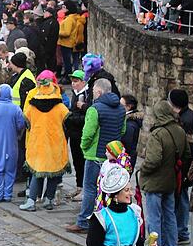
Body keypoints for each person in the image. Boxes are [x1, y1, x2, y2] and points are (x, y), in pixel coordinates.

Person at [67, 79, 127, 234]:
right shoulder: (121, 109)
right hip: (112, 156)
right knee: (109, 190)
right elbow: (122, 131)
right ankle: (106, 221)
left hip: (95, 156)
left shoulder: (95, 109)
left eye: (94, 91)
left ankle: (83, 221)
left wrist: (84, 147)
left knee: (90, 189)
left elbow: (87, 133)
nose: (92, 93)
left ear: (99, 92)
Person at [139, 100, 190, 246]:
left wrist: (143, 170)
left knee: (154, 217)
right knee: (169, 215)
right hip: (171, 180)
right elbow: (186, 155)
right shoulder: (180, 130)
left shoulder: (158, 133)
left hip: (155, 181)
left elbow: (153, 160)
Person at [19, 71, 70, 211]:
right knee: (54, 173)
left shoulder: (32, 106)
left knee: (37, 172)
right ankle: (49, 199)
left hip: (38, 143)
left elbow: (26, 121)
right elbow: (67, 121)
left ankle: (31, 201)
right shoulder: (60, 107)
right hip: (55, 144)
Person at [167, 89, 193, 246]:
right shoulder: (188, 116)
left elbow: (189, 148)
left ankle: (182, 230)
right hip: (183, 165)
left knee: (182, 197)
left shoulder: (186, 120)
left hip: (185, 166)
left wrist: (186, 171)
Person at [66, 70, 90, 199]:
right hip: (73, 134)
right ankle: (79, 186)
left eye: (76, 81)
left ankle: (84, 189)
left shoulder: (86, 94)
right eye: (72, 81)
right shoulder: (75, 94)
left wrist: (70, 117)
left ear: (83, 82)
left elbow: (86, 117)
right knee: (76, 161)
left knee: (83, 161)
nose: (73, 84)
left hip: (81, 133)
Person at [120, 95, 143, 169]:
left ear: (128, 107)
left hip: (125, 158)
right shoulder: (130, 121)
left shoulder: (130, 124)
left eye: (120, 105)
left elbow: (126, 144)